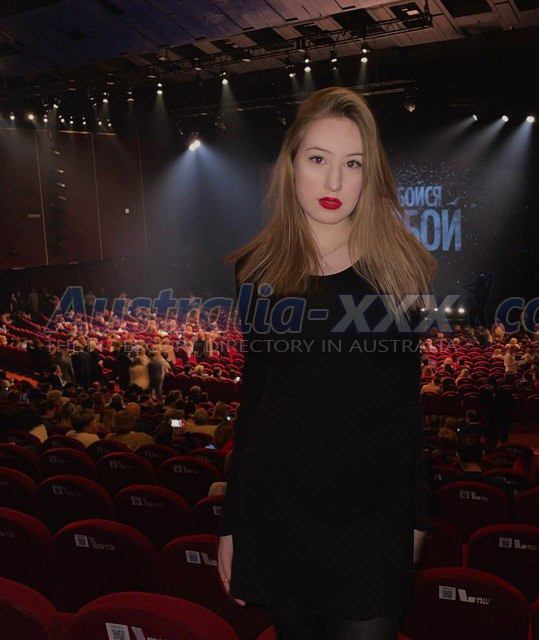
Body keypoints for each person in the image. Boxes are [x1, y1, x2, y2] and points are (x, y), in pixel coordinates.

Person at [216, 86, 437, 639]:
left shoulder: (401, 270)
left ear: (370, 174)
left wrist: (418, 516)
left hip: (372, 516)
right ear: (291, 164)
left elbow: (407, 405)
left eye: (352, 164)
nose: (334, 183)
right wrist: (233, 524)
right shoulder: (256, 271)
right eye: (318, 159)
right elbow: (255, 400)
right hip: (277, 507)